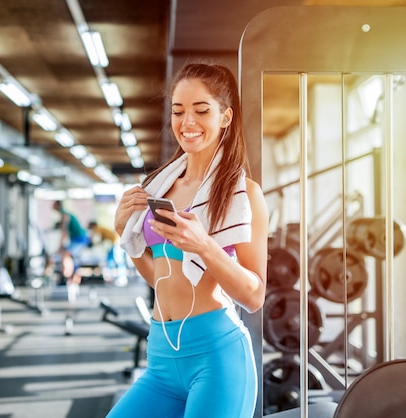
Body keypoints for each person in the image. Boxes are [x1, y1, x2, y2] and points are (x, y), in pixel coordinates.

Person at [110, 63, 269, 418]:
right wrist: (124, 232)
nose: (187, 122)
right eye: (178, 111)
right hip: (162, 359)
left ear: (225, 117)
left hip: (216, 357)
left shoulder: (243, 194)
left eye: (201, 110)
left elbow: (254, 295)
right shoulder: (159, 186)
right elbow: (161, 278)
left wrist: (204, 245)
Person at [52, 200, 90, 285]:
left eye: (53, 205)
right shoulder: (64, 215)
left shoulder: (65, 215)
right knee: (65, 253)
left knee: (67, 254)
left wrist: (60, 246)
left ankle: (70, 276)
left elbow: (64, 233)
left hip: (80, 238)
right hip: (75, 238)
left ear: (58, 205)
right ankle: (68, 276)